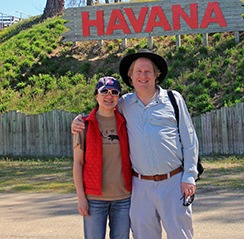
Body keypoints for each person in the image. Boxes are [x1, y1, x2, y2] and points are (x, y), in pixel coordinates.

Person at [72, 49, 199, 239]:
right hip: (140, 185)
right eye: (138, 71)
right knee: (143, 235)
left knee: (180, 235)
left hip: (173, 181)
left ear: (156, 75)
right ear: (130, 77)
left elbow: (190, 140)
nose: (143, 76)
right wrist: (79, 120)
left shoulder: (173, 99)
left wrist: (189, 176)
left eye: (148, 71)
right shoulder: (124, 104)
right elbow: (103, 108)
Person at [72, 76, 132, 239]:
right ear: (96, 95)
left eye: (114, 92)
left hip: (123, 198)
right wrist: (81, 198)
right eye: (104, 91)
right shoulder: (83, 124)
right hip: (94, 199)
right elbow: (78, 163)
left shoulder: (127, 122)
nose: (109, 96)